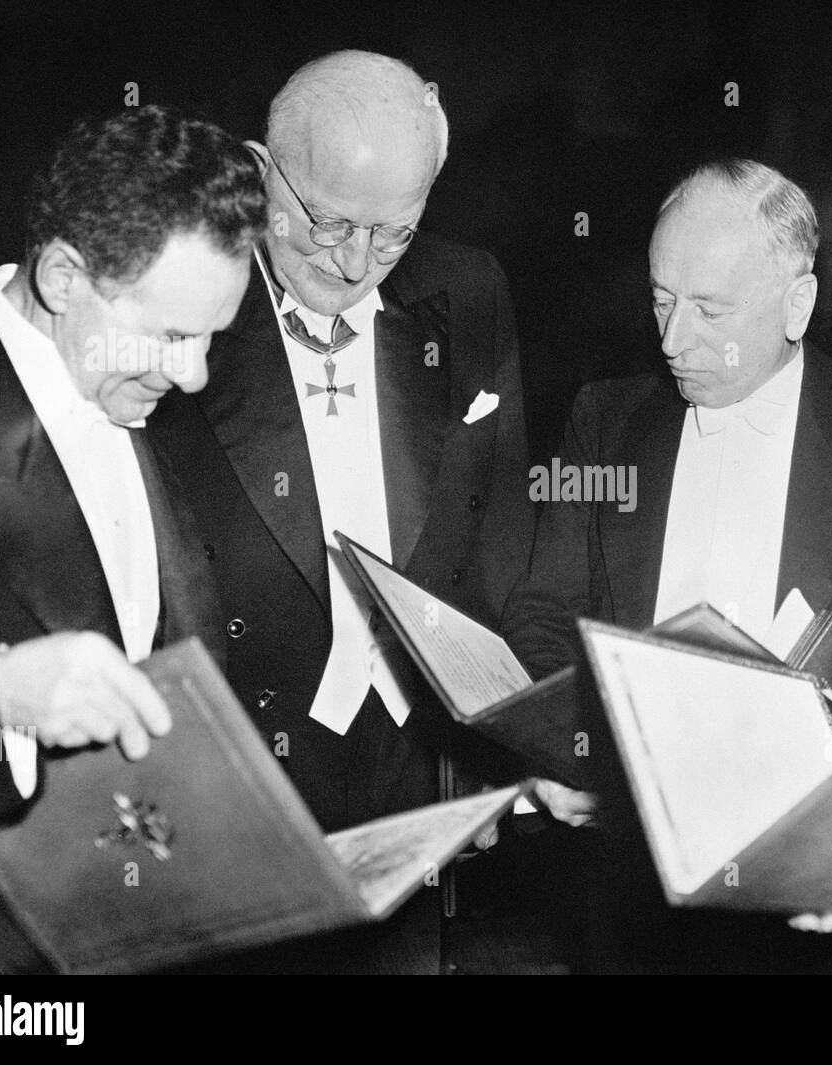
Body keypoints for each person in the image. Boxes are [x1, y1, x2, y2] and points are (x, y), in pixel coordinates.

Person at [503, 159, 832, 972]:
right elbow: (541, 613)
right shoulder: (603, 420)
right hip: (633, 886)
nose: (674, 340)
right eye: (661, 301)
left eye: (710, 310)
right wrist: (579, 752)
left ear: (798, 303)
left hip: (816, 901)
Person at [148, 51, 534, 973]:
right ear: (258, 170)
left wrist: (493, 748)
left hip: (410, 788)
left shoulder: (466, 292)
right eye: (326, 221)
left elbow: (502, 540)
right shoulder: (185, 298)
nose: (355, 262)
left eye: (391, 234)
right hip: (227, 787)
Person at [0, 104, 265, 970]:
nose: (193, 374)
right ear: (63, 278)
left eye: (210, 339)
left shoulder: (123, 380)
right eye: (171, 335)